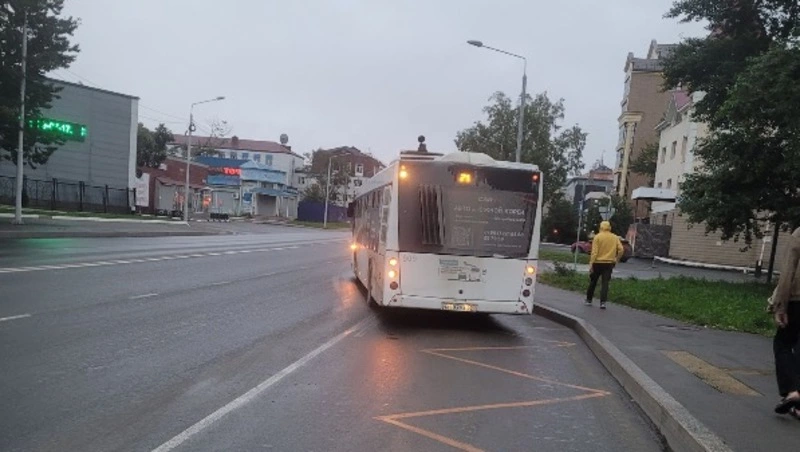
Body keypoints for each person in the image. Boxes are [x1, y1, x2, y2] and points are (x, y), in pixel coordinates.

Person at [770, 227, 800, 418]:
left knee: (783, 343)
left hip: (798, 300)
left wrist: (780, 305)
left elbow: (788, 270)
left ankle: (793, 392)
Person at [585, 221, 623, 309]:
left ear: (601, 227)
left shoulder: (597, 237)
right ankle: (603, 303)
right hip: (609, 263)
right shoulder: (614, 237)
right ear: (609, 227)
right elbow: (621, 249)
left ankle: (589, 300)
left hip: (597, 263)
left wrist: (591, 264)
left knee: (593, 281)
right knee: (605, 283)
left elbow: (594, 252)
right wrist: (616, 260)